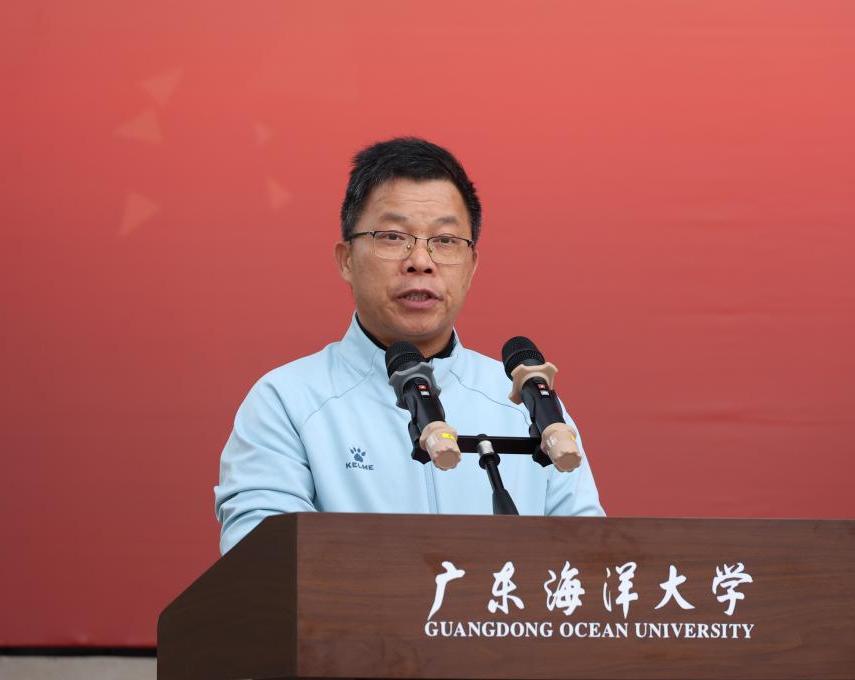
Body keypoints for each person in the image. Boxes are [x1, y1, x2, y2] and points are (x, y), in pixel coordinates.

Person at [214, 137, 604, 554]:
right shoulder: (288, 401)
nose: (420, 261)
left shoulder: (527, 403)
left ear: (471, 266)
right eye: (392, 236)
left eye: (445, 240)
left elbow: (592, 562)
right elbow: (260, 563)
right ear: (346, 259)